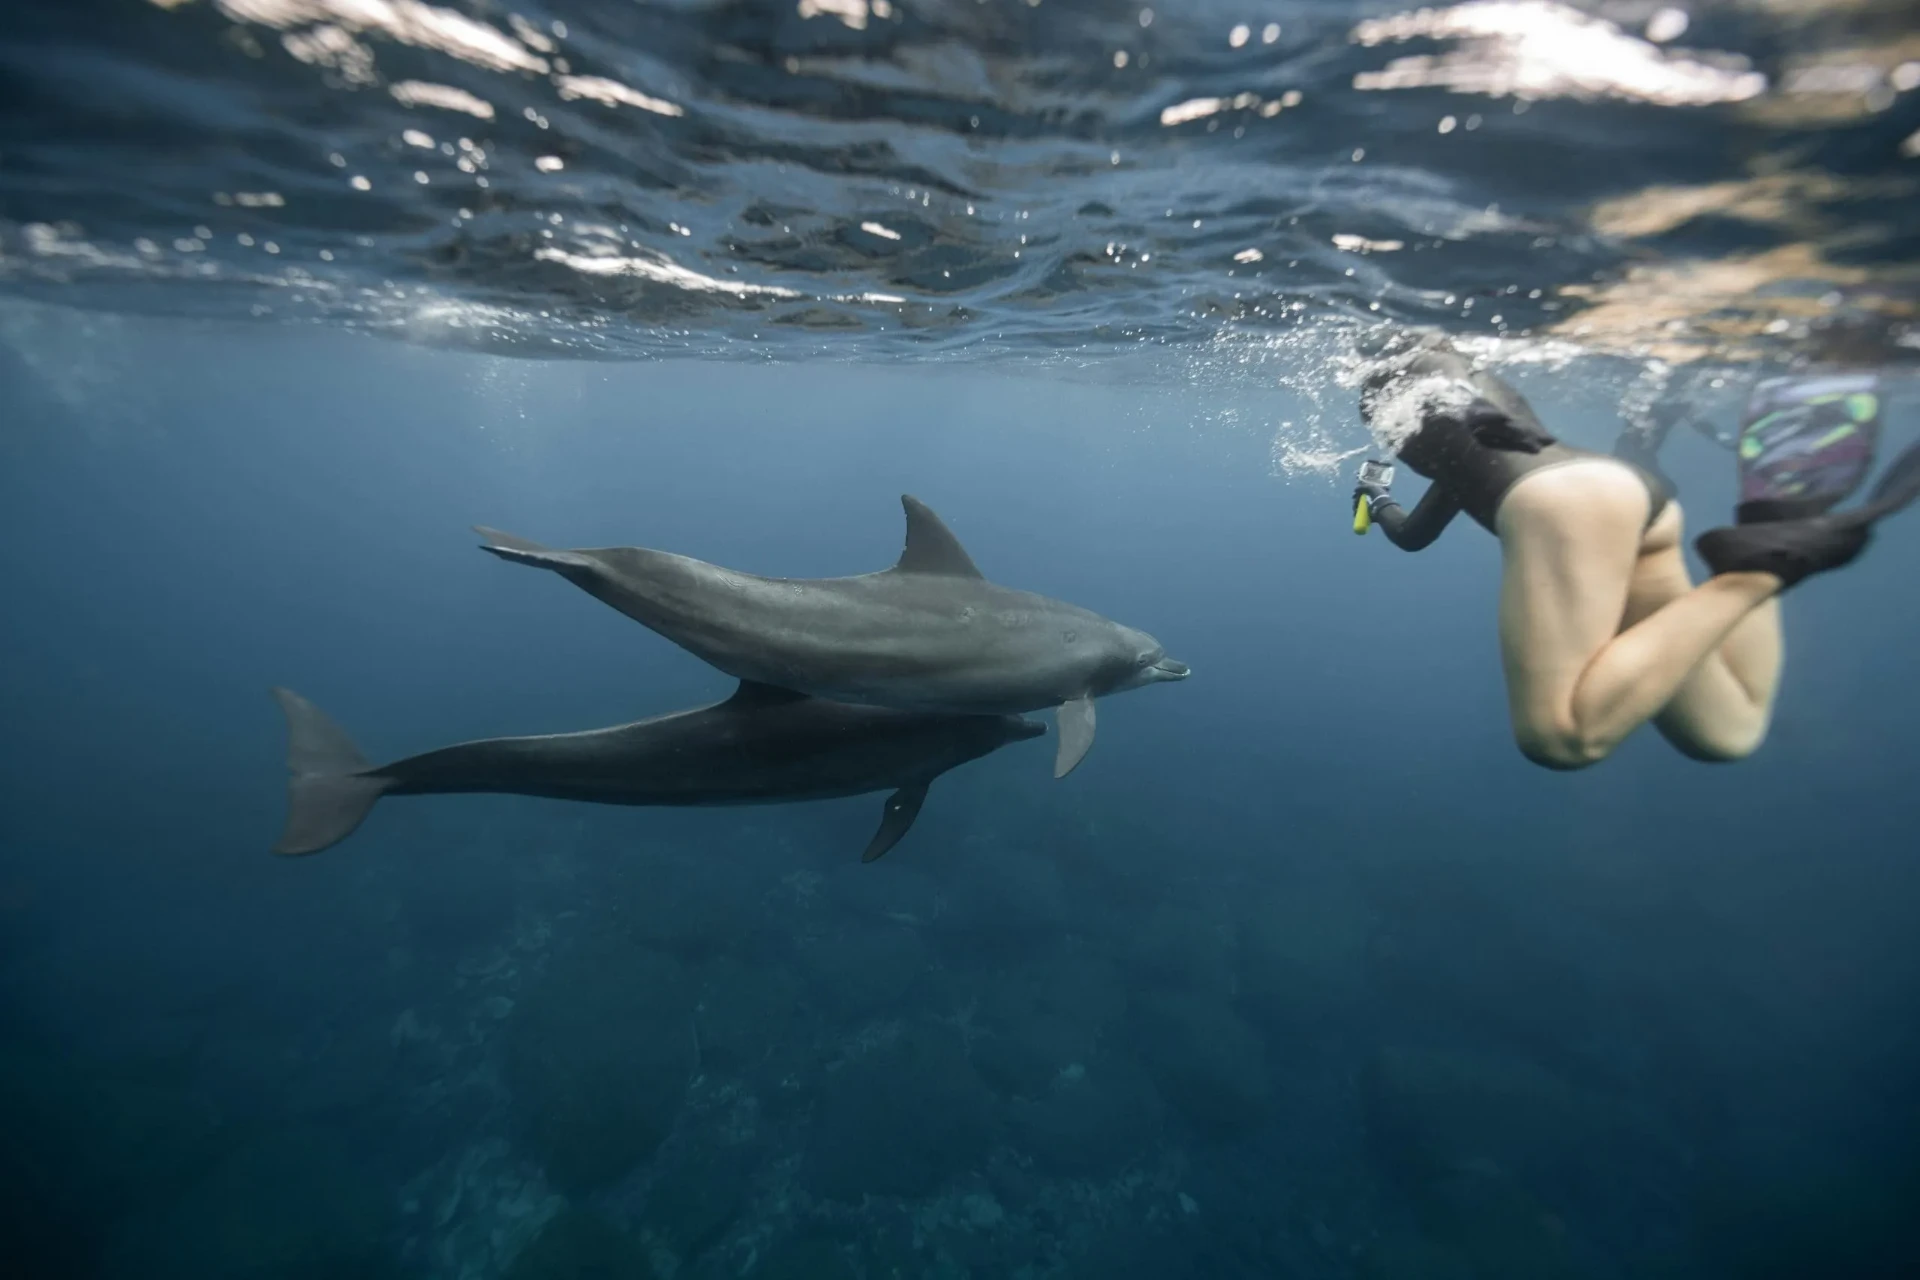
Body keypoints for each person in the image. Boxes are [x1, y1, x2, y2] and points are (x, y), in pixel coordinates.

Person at [1350, 332, 1917, 770]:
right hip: (1618, 492)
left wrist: (1379, 497)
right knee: (1728, 733)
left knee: (1562, 739)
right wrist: (1378, 501)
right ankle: (1770, 527)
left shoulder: (1393, 385)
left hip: (1567, 504)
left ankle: (1767, 568)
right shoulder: (1451, 389)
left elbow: (1418, 521)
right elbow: (1438, 500)